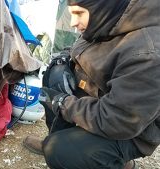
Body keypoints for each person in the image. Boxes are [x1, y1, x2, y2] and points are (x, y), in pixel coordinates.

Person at [22, 0, 160, 168]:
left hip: (130, 131)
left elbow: (118, 120)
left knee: (61, 152)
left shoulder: (147, 54)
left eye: (79, 13)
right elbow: (80, 47)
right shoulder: (108, 19)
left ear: (102, 8)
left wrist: (63, 103)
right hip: (101, 100)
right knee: (55, 74)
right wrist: (63, 58)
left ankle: (116, 160)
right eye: (71, 13)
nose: (73, 22)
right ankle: (58, 136)